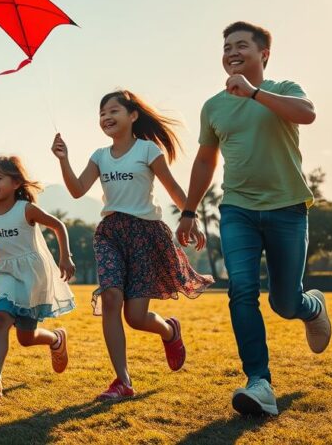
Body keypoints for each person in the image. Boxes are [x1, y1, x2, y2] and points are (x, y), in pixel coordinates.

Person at [175, 21, 331, 416]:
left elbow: (307, 114)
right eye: (226, 47)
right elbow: (206, 160)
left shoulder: (284, 90)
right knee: (241, 289)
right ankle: (259, 381)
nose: (231, 52)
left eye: (241, 45)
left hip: (287, 209)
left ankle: (310, 307)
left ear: (263, 54)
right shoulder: (213, 106)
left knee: (284, 301)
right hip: (237, 209)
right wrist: (190, 211)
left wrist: (255, 93)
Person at [53, 90, 213, 400]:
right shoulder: (99, 156)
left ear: (133, 116)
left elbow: (174, 188)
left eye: (113, 111)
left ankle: (169, 331)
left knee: (136, 318)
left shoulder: (147, 150)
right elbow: (76, 190)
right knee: (111, 298)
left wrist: (190, 217)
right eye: (102, 114)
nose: (106, 118)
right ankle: (122, 381)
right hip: (111, 233)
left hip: (145, 234)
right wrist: (64, 159)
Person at [0, 156, 76, 398]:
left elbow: (58, 226)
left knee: (26, 338)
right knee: (1, 318)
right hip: (5, 274)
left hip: (32, 277)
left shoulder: (25, 209)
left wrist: (65, 257)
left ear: (16, 183)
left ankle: (55, 339)